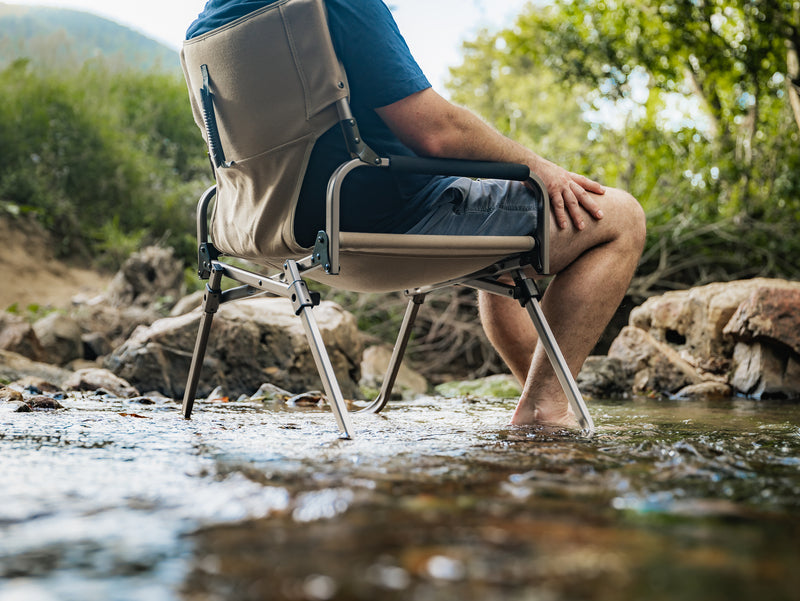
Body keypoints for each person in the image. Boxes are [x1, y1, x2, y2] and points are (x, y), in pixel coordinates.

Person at [186, 0, 646, 428]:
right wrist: (539, 169)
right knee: (621, 217)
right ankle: (547, 406)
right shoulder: (330, 5)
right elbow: (437, 133)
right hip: (384, 220)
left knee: (507, 241)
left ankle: (549, 397)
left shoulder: (206, 27)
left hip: (261, 230)